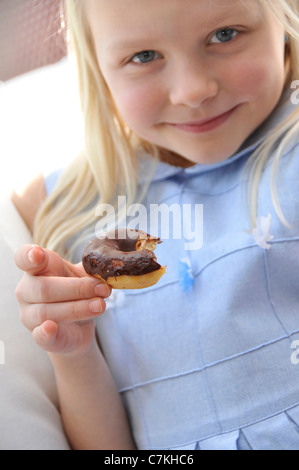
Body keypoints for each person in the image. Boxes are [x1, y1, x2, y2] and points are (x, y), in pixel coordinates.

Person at [13, 0, 299, 450]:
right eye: (143, 57)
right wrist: (75, 353)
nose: (192, 90)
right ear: (97, 70)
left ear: (284, 19)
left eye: (225, 34)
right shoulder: (71, 207)